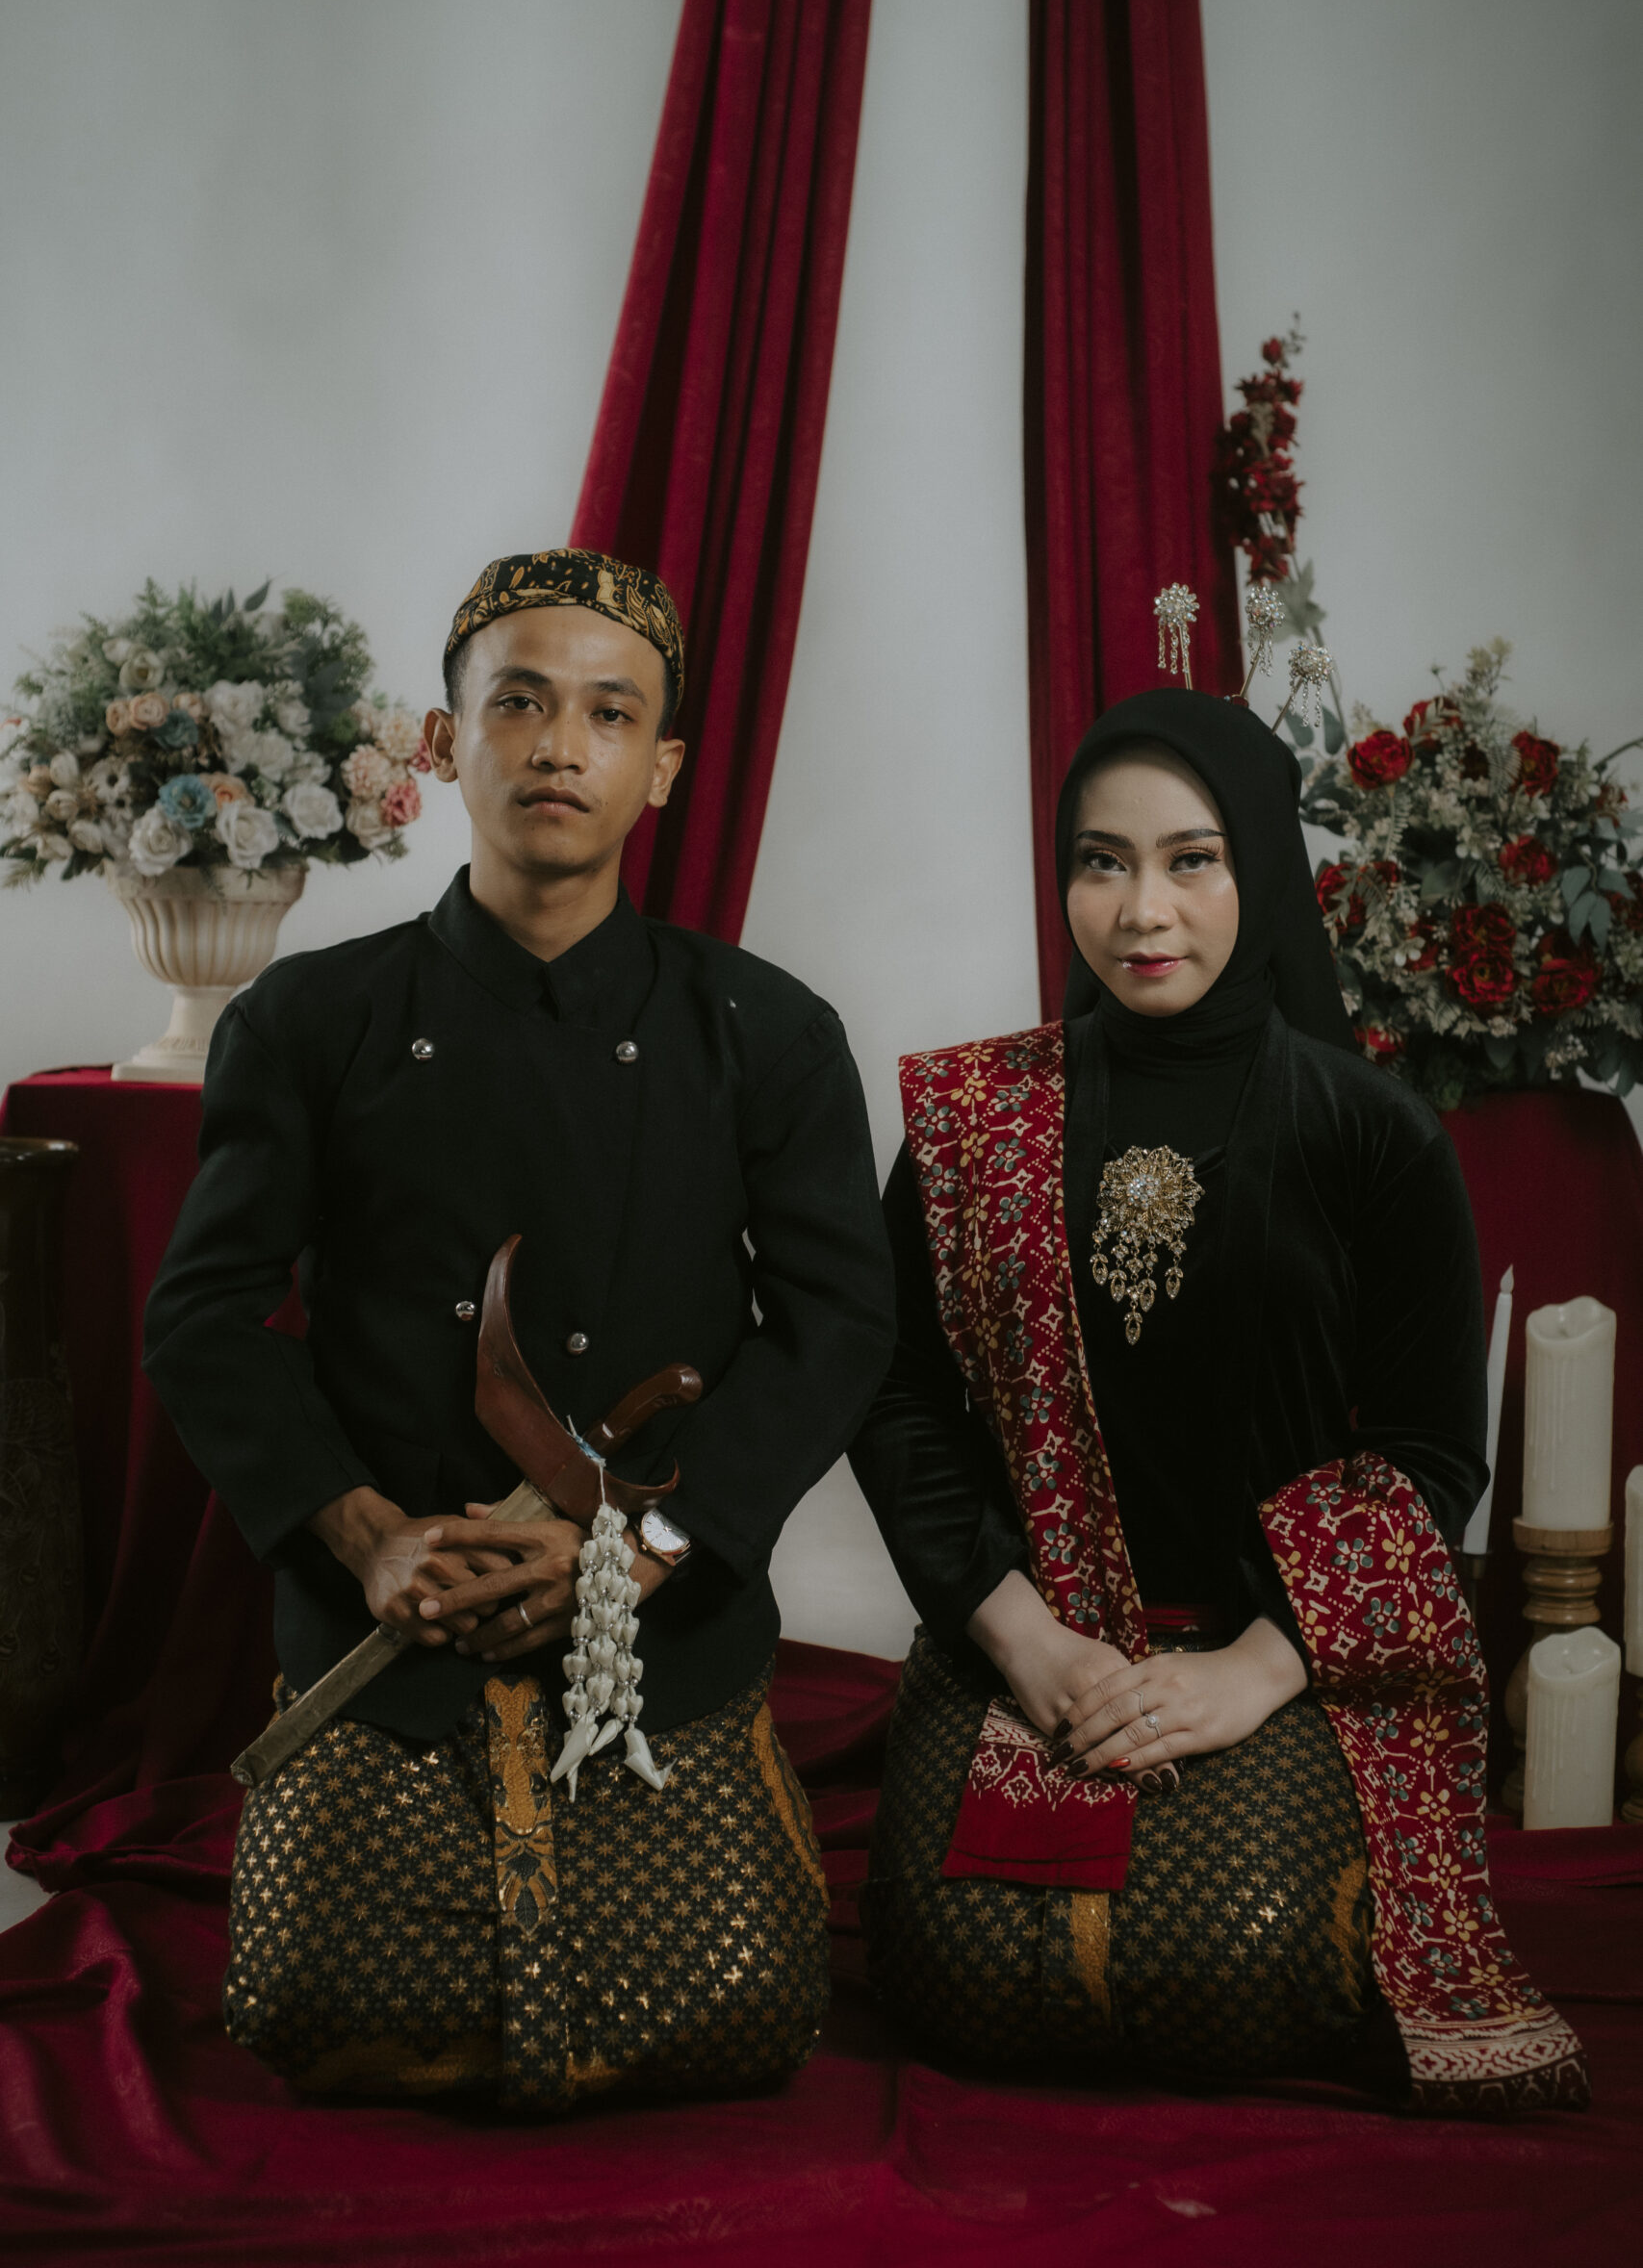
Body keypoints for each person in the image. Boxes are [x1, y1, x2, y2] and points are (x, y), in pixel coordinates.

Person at [145, 548, 894, 2112]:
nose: (562, 746)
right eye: (521, 703)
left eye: (611, 714)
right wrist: (367, 1541)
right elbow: (204, 1315)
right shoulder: (308, 1020)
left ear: (662, 767)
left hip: (657, 1633)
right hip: (389, 1628)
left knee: (747, 2004)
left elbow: (838, 1325)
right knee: (309, 2001)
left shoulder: (767, 1032)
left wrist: (646, 1554)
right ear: (446, 740)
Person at [849, 686, 1587, 2116]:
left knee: (1248, 1955)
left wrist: (1255, 1666)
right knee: (958, 1968)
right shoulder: (978, 1127)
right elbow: (895, 1395)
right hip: (1036, 1642)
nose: (1143, 911)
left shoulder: (1372, 1136)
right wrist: (1024, 1639)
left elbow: (1430, 1452)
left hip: (1280, 1653)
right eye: (1102, 862)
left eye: (1192, 859)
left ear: (1260, 866)